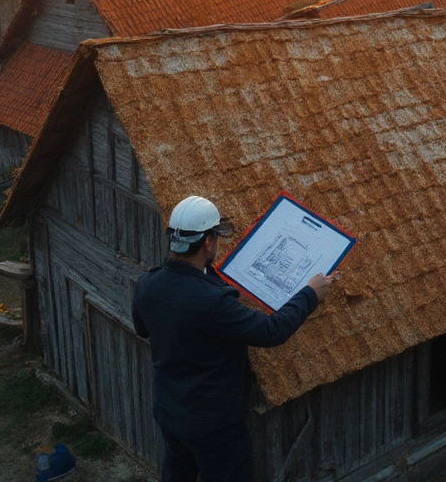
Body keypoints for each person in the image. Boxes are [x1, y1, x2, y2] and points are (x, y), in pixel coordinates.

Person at [132, 195, 335, 482]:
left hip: (170, 411)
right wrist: (310, 294)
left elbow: (144, 329)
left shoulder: (147, 285)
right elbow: (272, 330)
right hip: (215, 425)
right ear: (207, 242)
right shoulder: (213, 302)